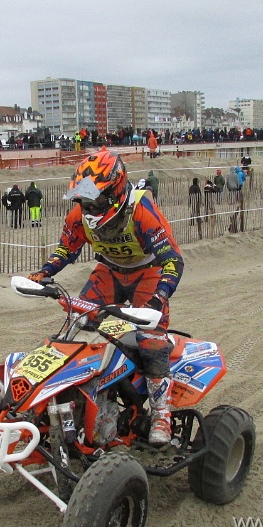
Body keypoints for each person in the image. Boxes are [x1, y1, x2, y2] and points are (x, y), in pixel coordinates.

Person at [26, 149, 184, 446]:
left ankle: (162, 412)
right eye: (83, 200)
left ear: (115, 191)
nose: (87, 206)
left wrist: (159, 296)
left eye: (94, 200)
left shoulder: (142, 211)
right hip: (109, 272)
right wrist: (45, 272)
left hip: (147, 273)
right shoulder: (78, 215)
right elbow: (66, 249)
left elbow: (173, 261)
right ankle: (66, 395)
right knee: (77, 324)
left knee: (151, 339)